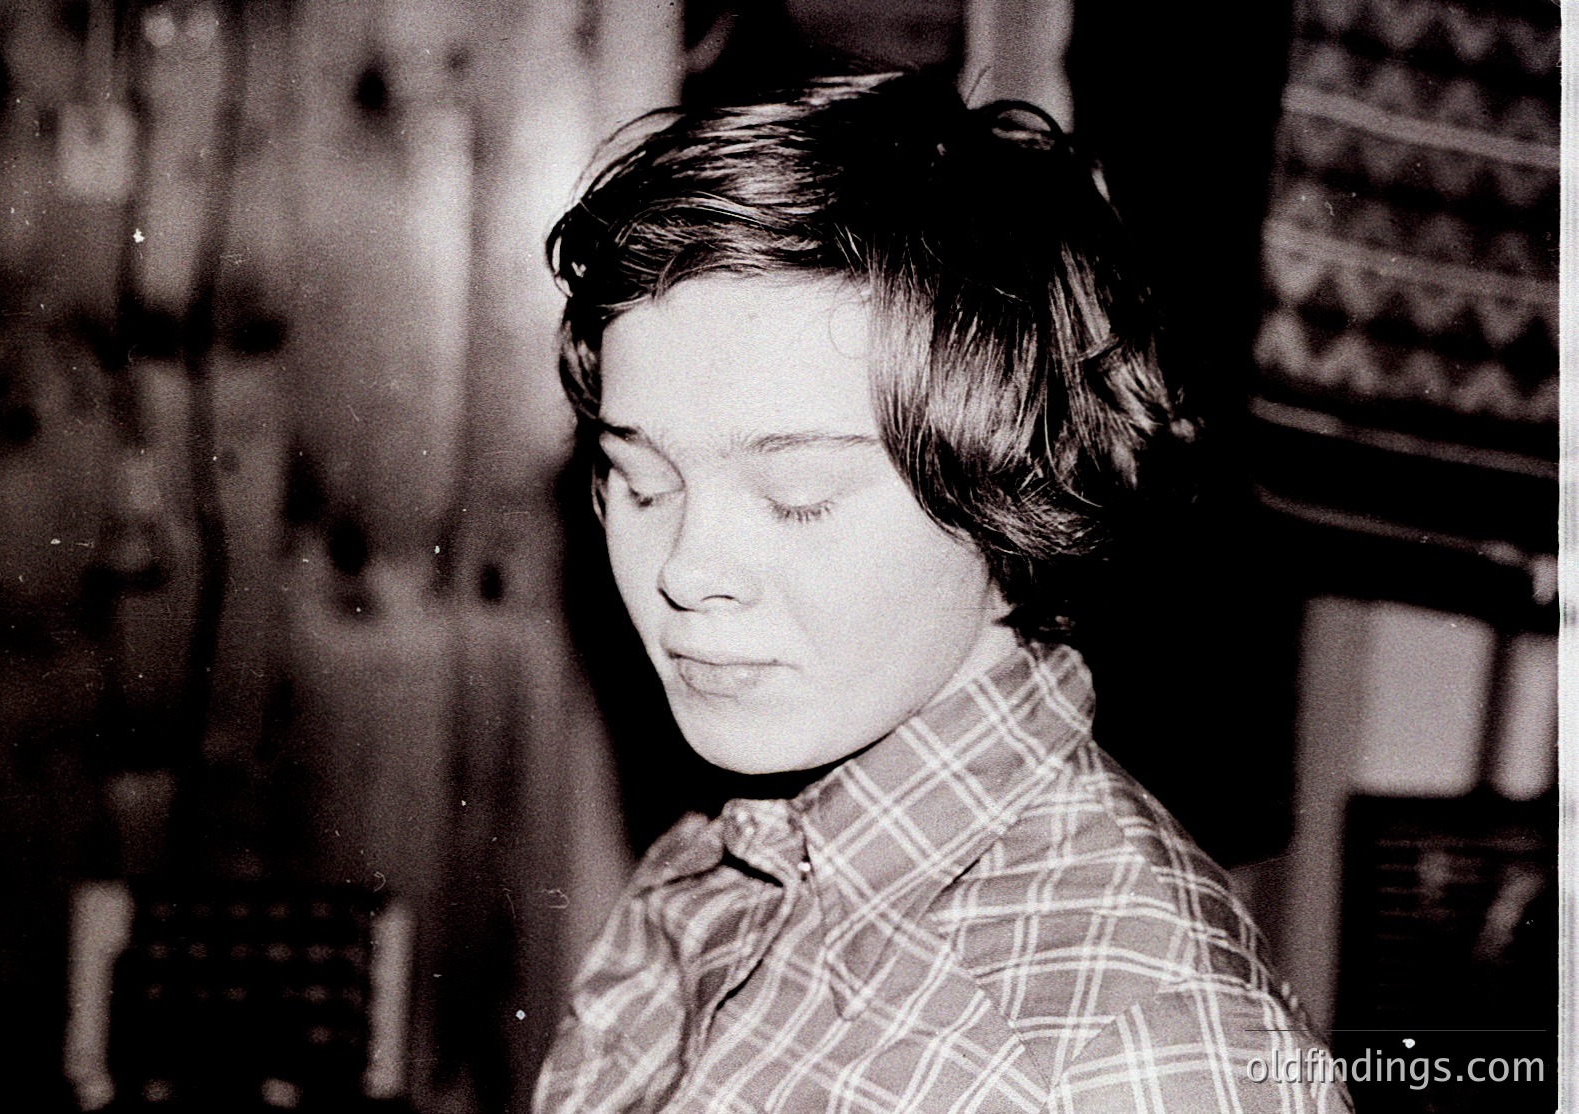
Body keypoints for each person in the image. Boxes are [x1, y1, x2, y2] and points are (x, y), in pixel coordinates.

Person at [532, 73, 1351, 1113]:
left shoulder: (1142, 1056)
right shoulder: (718, 864)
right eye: (642, 481)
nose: (684, 569)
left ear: (1015, 494)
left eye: (797, 495)